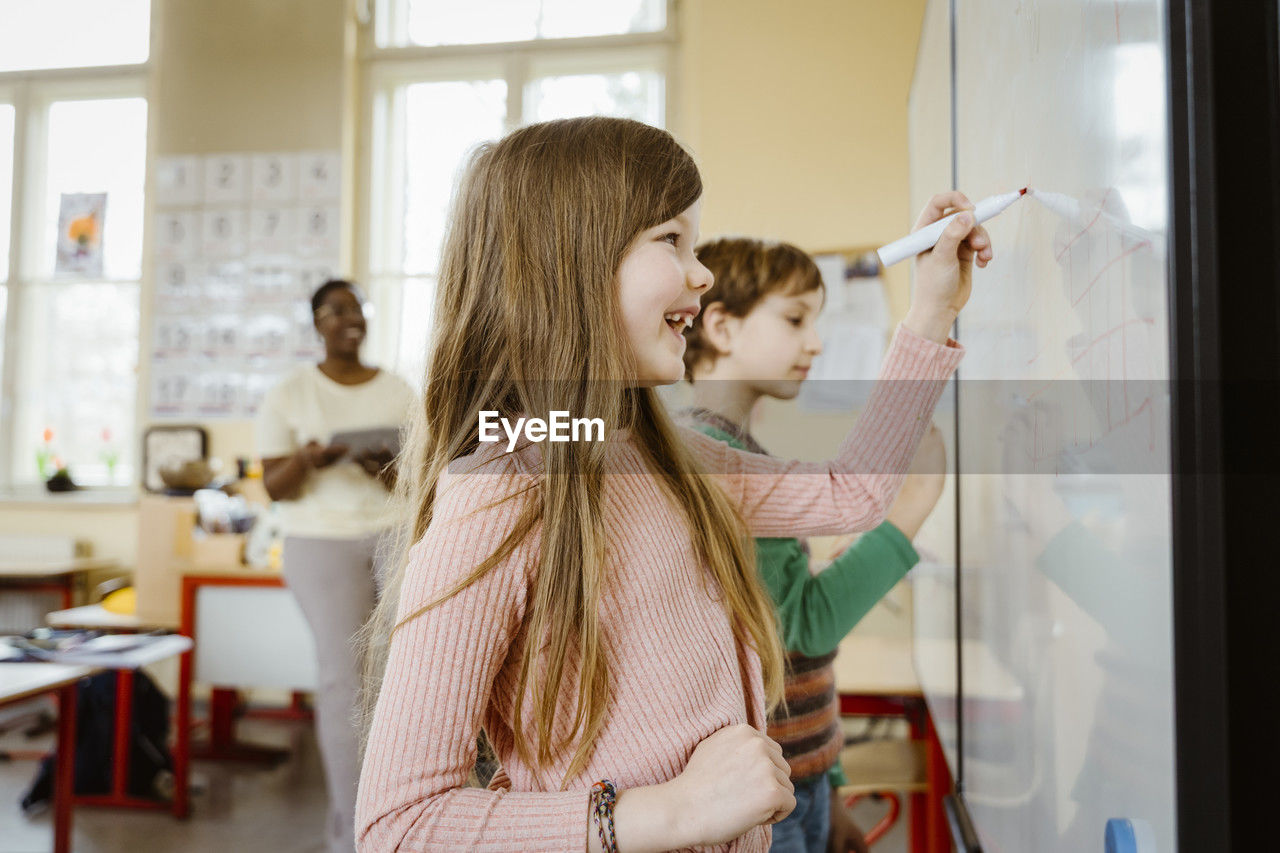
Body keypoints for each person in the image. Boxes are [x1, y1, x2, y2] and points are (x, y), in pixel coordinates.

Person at [356, 116, 992, 852]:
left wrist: (933, 307)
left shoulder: (670, 459)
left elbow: (850, 492)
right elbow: (399, 827)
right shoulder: (501, 493)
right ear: (575, 261)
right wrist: (677, 811)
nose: (703, 273)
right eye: (671, 241)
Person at [680, 238, 948, 853]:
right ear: (720, 326)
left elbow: (782, 635)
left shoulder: (726, 449)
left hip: (796, 781)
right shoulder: (719, 464)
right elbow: (804, 625)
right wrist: (910, 509)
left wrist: (825, 788)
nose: (817, 343)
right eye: (795, 319)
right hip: (770, 798)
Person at [256, 279, 416, 853]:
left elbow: (416, 478)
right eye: (338, 310)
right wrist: (307, 457)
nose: (352, 318)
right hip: (321, 542)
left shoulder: (398, 391)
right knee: (344, 684)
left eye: (359, 309)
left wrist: (382, 466)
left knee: (405, 681)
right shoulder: (292, 393)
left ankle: (408, 818)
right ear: (317, 322)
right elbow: (274, 486)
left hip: (393, 534)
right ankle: (352, 833)